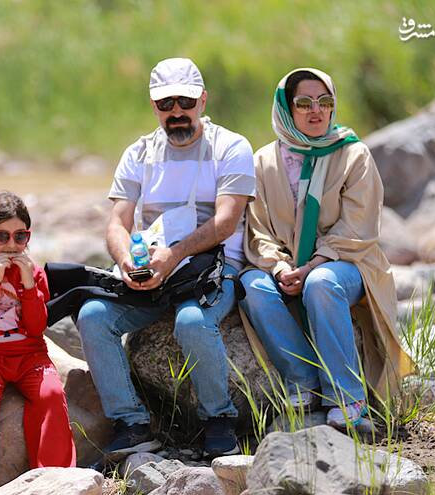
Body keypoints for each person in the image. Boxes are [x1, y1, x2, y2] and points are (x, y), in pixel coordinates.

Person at [75, 58, 256, 460]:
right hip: (155, 266)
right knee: (93, 316)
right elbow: (118, 222)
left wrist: (174, 256)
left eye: (185, 102)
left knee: (191, 322)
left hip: (213, 267)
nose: (177, 112)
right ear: (153, 105)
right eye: (165, 104)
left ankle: (219, 420)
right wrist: (127, 262)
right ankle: (132, 422)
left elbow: (226, 222)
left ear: (203, 100)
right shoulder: (139, 152)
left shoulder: (230, 147)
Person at [239, 68, 414, 429]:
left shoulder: (353, 154)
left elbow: (358, 228)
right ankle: (302, 380)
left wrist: (312, 265)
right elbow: (258, 230)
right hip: (287, 264)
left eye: (325, 101)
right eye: (304, 103)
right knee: (251, 286)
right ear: (287, 109)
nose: (316, 110)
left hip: (350, 263)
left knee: (321, 283)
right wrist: (279, 267)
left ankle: (347, 396)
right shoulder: (263, 162)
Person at [0, 192, 76, 488]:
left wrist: (29, 284)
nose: (11, 245)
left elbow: (36, 327)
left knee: (51, 394)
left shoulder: (32, 273)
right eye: (1, 236)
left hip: (29, 354)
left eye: (20, 237)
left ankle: (55, 477)